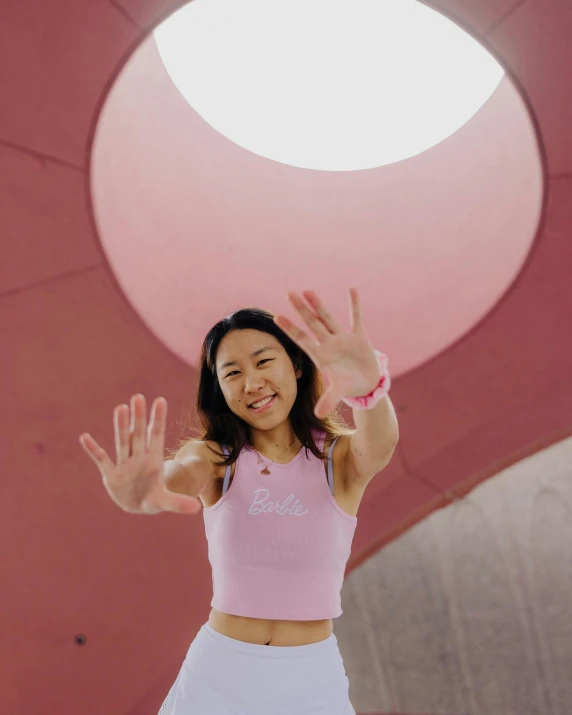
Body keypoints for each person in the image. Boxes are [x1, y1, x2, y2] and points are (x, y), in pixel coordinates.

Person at [79, 288, 399, 715]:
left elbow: (380, 444)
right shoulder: (216, 457)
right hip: (220, 674)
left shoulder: (337, 459)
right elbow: (180, 474)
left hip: (310, 677)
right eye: (231, 373)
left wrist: (370, 391)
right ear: (220, 390)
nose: (252, 383)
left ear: (298, 365)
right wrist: (152, 489)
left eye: (264, 361)